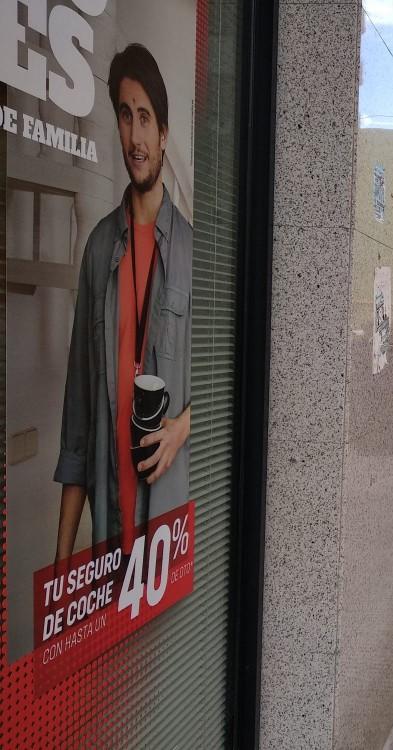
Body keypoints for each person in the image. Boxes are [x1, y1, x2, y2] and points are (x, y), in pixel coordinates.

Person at [54, 44, 193, 561]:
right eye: (126, 115)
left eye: (146, 118)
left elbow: (227, 387)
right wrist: (63, 564)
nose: (135, 137)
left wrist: (182, 428)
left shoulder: (194, 253)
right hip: (109, 540)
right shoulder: (97, 249)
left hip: (167, 539)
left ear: (163, 133)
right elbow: (77, 422)